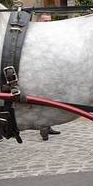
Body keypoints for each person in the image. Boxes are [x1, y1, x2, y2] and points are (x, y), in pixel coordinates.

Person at [34, 12, 60, 140]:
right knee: (41, 100)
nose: (48, 24)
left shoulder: (52, 35)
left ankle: (47, 125)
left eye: (50, 21)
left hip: (50, 71)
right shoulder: (34, 35)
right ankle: (43, 125)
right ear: (39, 21)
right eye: (45, 21)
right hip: (37, 73)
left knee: (50, 100)